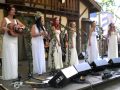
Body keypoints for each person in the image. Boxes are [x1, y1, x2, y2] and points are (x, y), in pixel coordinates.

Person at [1, 5, 25, 80]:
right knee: (8, 56)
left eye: (14, 10)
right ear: (9, 11)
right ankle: (8, 75)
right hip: (7, 39)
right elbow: (1, 29)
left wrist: (19, 28)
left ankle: (14, 74)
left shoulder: (16, 20)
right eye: (12, 10)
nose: (14, 11)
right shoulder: (5, 19)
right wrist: (6, 28)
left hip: (14, 39)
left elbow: (23, 26)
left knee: (14, 56)